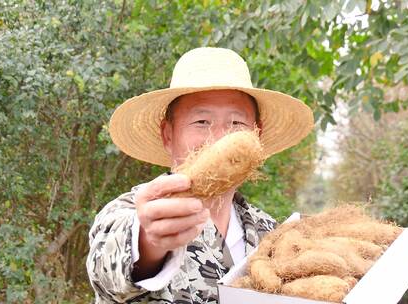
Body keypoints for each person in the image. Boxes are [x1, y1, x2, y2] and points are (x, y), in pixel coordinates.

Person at [86, 47, 313, 303]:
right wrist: (150, 241)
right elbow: (108, 270)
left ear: (256, 137)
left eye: (236, 124)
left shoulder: (271, 234)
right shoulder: (128, 214)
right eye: (201, 122)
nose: (219, 140)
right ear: (168, 135)